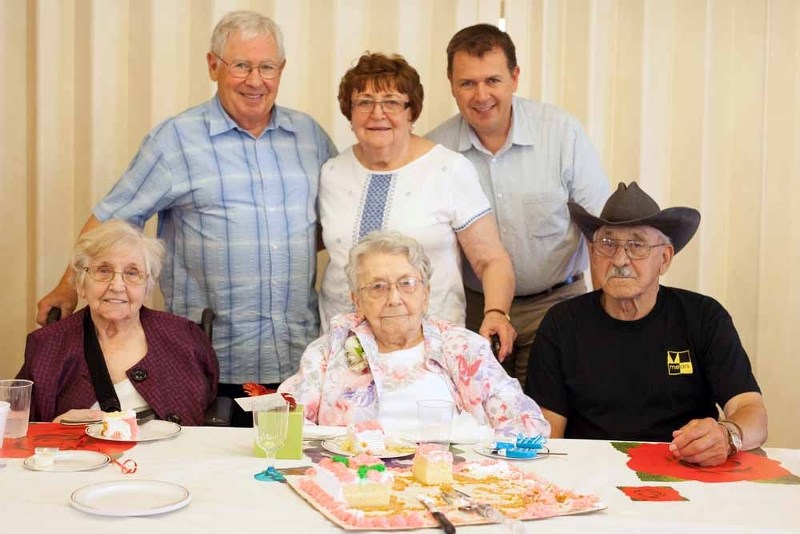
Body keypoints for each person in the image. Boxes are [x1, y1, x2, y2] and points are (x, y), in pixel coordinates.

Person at [34, 11, 336, 425]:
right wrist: (67, 289)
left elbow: (330, 226)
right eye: (241, 65)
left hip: (301, 362)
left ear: (281, 70)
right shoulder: (175, 140)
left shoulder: (310, 136)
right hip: (212, 359)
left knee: (288, 478)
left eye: (267, 67)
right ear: (213, 66)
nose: (255, 80)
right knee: (213, 479)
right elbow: (112, 220)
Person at [526, 182, 768, 466]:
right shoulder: (562, 323)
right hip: (589, 474)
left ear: (664, 258)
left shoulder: (704, 317)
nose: (619, 259)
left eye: (636, 245)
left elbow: (751, 411)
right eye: (607, 244)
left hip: (687, 472)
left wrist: (728, 436)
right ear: (592, 253)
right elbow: (546, 433)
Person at [427, 24, 611, 384]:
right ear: (450, 83)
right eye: (468, 83)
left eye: (493, 80)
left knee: (547, 425)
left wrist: (606, 320)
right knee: (478, 424)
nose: (481, 95)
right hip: (473, 308)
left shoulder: (561, 134)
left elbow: (600, 232)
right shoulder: (435, 150)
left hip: (556, 306)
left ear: (515, 77)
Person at [319, 52, 516, 359]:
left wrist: (496, 312)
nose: (377, 113)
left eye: (392, 102)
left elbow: (491, 259)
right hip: (343, 351)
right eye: (365, 102)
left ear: (412, 111)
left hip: (430, 350)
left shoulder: (448, 169)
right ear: (350, 112)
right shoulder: (331, 172)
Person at [280, 232, 549, 438]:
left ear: (426, 295)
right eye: (377, 287)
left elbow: (529, 426)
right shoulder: (329, 350)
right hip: (354, 483)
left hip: (451, 482)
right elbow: (284, 420)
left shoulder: (464, 349)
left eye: (407, 284)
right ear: (357, 300)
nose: (394, 299)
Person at [19, 220, 219, 425]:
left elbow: (208, 403)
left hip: (173, 456)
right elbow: (18, 427)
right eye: (103, 270)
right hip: (80, 455)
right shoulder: (47, 346)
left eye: (132, 273)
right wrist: (53, 432)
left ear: (147, 288)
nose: (116, 285)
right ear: (80, 285)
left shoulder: (184, 336)